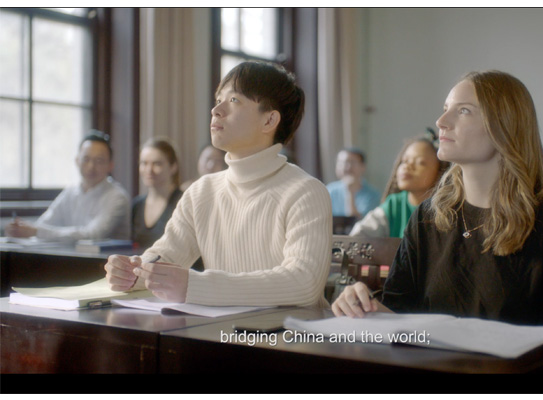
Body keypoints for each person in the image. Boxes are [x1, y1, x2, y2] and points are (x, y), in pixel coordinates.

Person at [332, 71, 543, 334]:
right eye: (446, 109)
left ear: (503, 127)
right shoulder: (427, 217)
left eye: (464, 111)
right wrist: (364, 306)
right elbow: (398, 313)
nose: (441, 122)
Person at [105, 61, 332, 307]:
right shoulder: (202, 191)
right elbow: (167, 255)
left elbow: (304, 283)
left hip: (288, 331)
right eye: (218, 100)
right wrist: (133, 272)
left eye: (233, 100)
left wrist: (196, 286)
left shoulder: (305, 192)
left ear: (269, 121)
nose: (216, 110)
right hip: (219, 328)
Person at [5, 131, 130, 242]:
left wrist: (36, 231)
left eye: (99, 161)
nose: (91, 167)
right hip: (70, 257)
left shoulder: (117, 197)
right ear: (77, 161)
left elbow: (92, 235)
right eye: (86, 159)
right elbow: (44, 223)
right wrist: (22, 229)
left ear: (110, 165)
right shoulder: (71, 192)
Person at [349, 134, 449, 238]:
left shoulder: (446, 209)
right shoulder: (393, 204)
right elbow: (359, 234)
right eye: (404, 161)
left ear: (440, 172)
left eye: (420, 162)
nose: (407, 166)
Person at [131, 138, 183, 249]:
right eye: (144, 163)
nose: (149, 170)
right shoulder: (136, 205)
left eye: (157, 164)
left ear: (173, 167)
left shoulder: (183, 202)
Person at [326, 148, 380, 218]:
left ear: (363, 167)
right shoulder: (329, 190)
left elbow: (358, 221)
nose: (347, 167)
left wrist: (350, 192)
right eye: (342, 162)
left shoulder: (373, 195)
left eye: (352, 162)